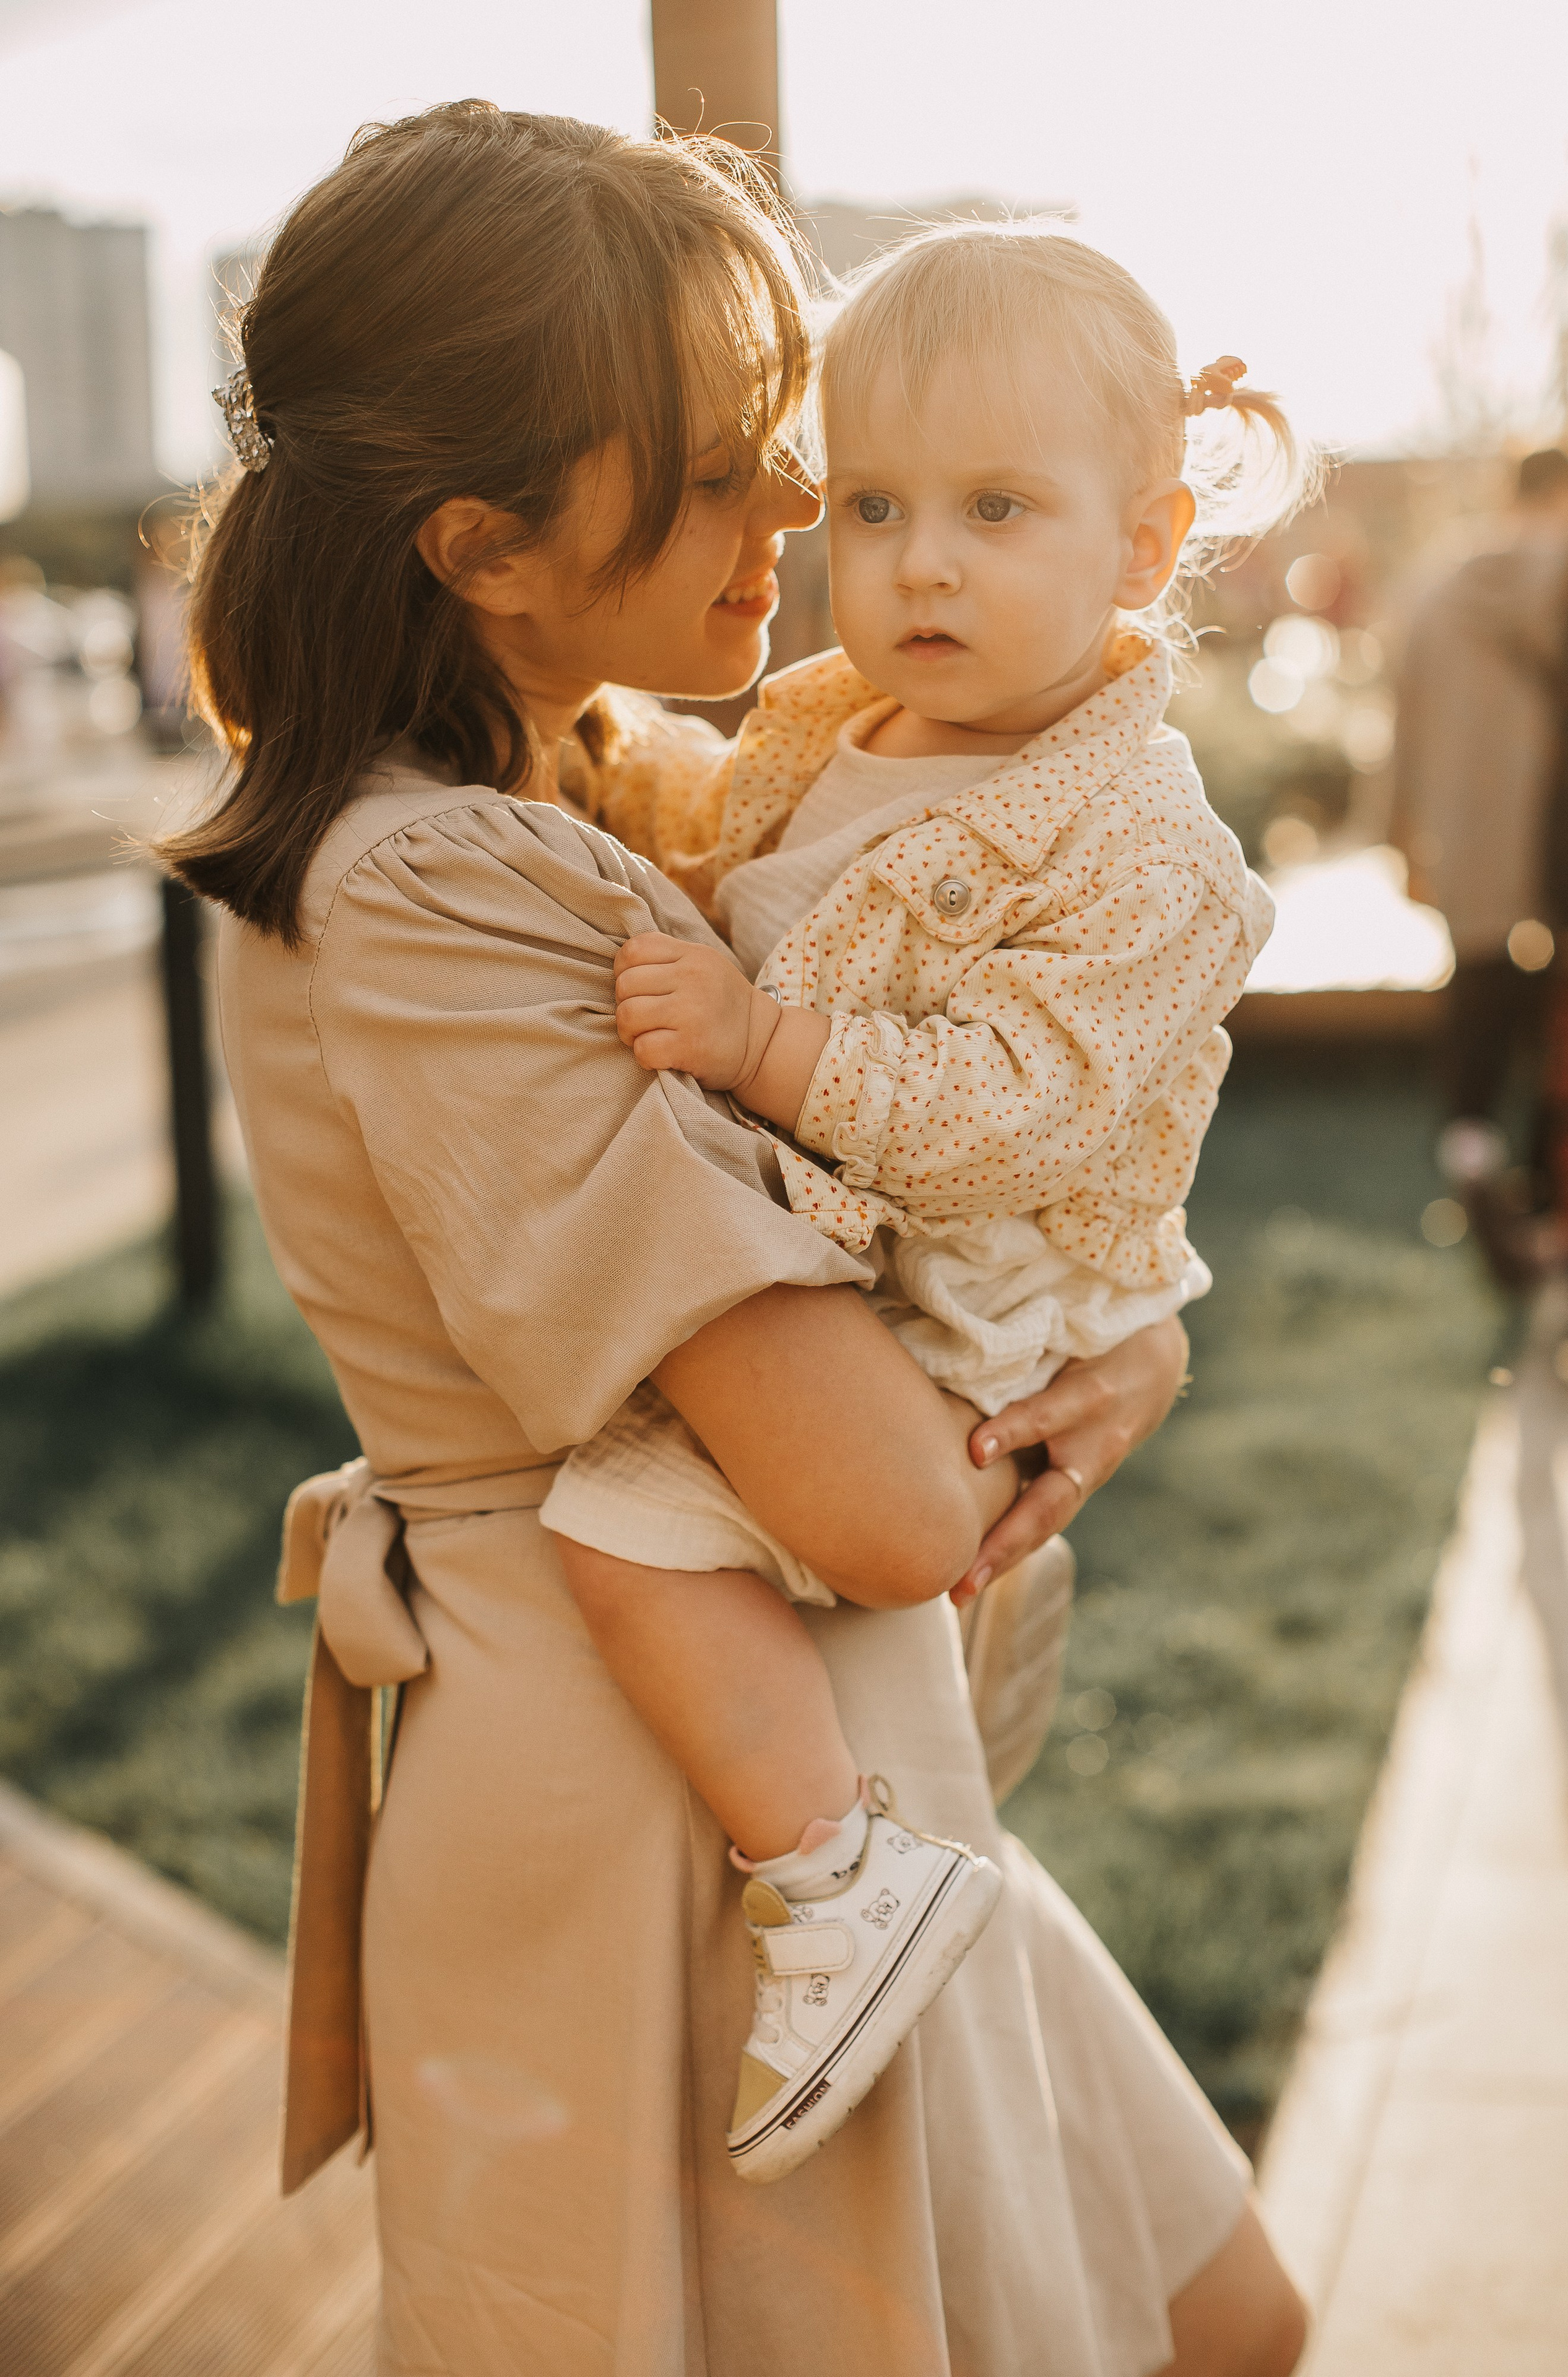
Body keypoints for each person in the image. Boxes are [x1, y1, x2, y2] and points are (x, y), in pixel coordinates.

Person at [165, 100, 1305, 2375]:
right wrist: (1044, 1379)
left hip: (806, 1754)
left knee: (1220, 2315)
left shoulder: (581, 789)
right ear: (485, 539)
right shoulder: (435, 888)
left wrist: (1126, 1331)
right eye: (725, 459)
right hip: (672, 1819)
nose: (803, 508)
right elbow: (883, 1507)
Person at [542, 224, 1290, 2181]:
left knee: (622, 1526)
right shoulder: (837, 722)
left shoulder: (1141, 844)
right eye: (869, 504)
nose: (920, 561)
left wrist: (754, 1048)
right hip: (851, 1272)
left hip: (965, 1310)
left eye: (995, 508)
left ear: (1143, 547)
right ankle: (893, 1847)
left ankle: (837, 1874)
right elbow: (761, 864)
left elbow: (1013, 1122)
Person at [1392, 446, 1568, 1282]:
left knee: (1475, 1002)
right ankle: (1550, 1196)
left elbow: (1401, 716)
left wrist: (1400, 834)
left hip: (1468, 840)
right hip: (1561, 842)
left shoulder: (1437, 591)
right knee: (1563, 1014)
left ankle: (1473, 1158)